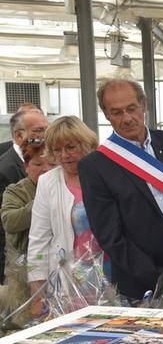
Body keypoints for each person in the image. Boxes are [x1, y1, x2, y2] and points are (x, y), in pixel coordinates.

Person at [78, 79, 163, 301]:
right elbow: (110, 236)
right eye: (116, 112)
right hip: (144, 285)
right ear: (106, 114)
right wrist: (162, 278)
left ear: (144, 105)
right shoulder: (95, 166)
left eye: (131, 109)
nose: (126, 118)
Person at [27, 117, 108, 312]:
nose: (64, 155)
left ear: (87, 145)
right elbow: (38, 241)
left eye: (71, 147)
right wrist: (38, 294)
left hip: (111, 275)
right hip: (69, 282)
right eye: (57, 150)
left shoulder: (107, 175)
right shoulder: (48, 183)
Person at [0, 108, 48, 283]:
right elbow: (7, 222)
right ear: (18, 135)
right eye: (38, 130)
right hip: (19, 265)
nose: (45, 134)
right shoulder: (5, 169)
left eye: (46, 128)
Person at [2, 138, 54, 256]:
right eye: (38, 164)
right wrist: (42, 201)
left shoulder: (68, 186)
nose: (46, 169)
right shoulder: (15, 191)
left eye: (52, 164)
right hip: (26, 263)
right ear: (26, 166)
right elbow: (9, 222)